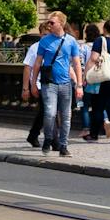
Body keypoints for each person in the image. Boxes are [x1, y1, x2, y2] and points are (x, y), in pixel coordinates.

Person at [25, 11, 83, 157]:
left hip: (65, 83)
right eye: (48, 22)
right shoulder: (45, 41)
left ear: (61, 24)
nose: (49, 25)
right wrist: (33, 84)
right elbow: (37, 63)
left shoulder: (71, 41)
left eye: (52, 22)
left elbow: (76, 63)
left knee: (66, 116)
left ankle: (63, 146)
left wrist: (79, 84)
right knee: (50, 113)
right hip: (49, 83)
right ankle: (48, 138)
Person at [20, 21, 49, 147]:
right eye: (44, 35)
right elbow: (27, 68)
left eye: (48, 34)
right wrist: (26, 88)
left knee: (46, 111)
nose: (46, 37)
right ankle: (51, 139)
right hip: (38, 83)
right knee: (47, 110)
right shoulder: (35, 47)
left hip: (51, 82)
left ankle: (34, 134)